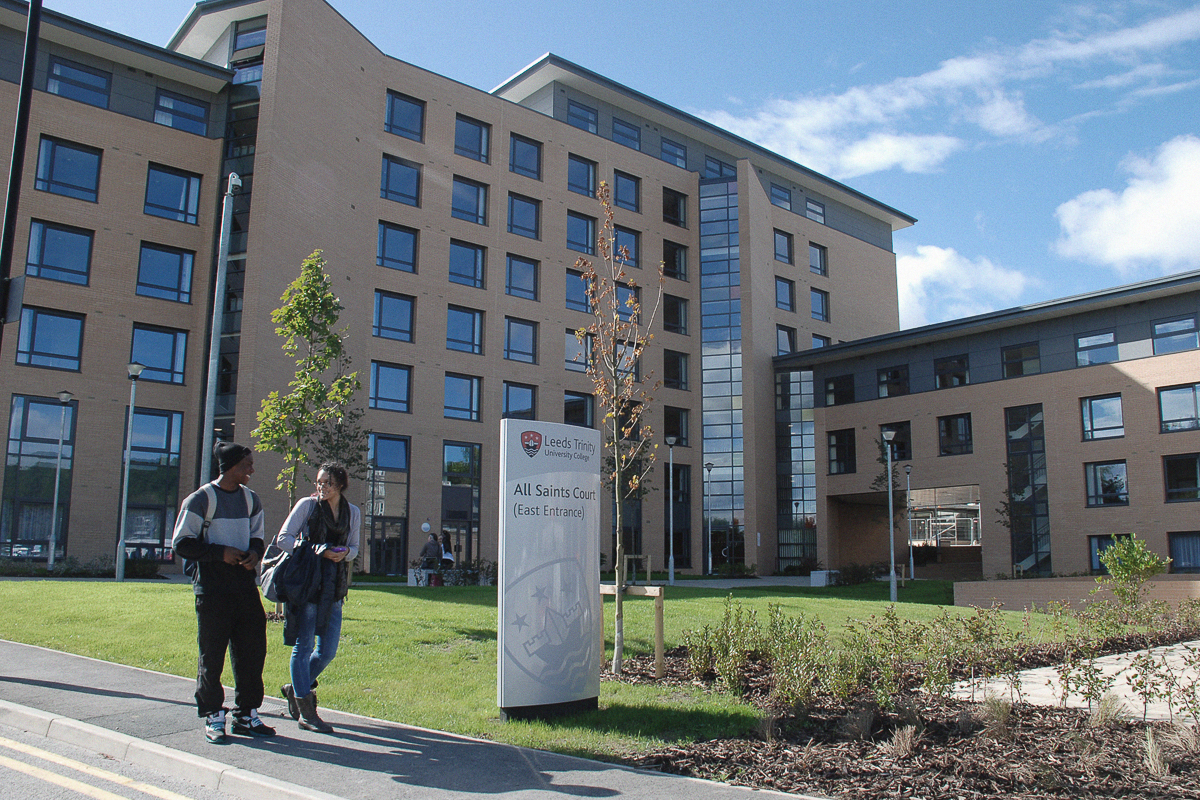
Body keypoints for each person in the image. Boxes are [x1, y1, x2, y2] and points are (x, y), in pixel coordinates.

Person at [172, 442, 275, 744]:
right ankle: (213, 715)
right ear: (230, 468)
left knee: (253, 650)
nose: (252, 470)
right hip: (212, 585)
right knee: (212, 653)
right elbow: (181, 543)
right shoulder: (201, 499)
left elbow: (258, 536)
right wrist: (220, 553)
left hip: (244, 583)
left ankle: (246, 714)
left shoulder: (251, 499)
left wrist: (255, 554)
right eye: (247, 465)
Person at [277, 462, 361, 734]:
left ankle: (295, 688)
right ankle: (306, 711)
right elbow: (284, 539)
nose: (321, 487)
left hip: (334, 588)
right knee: (303, 647)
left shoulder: (353, 513)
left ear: (340, 485)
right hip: (307, 585)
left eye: (327, 483)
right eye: (319, 482)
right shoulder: (307, 506)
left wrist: (344, 552)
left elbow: (356, 548)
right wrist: (319, 550)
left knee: (327, 652)